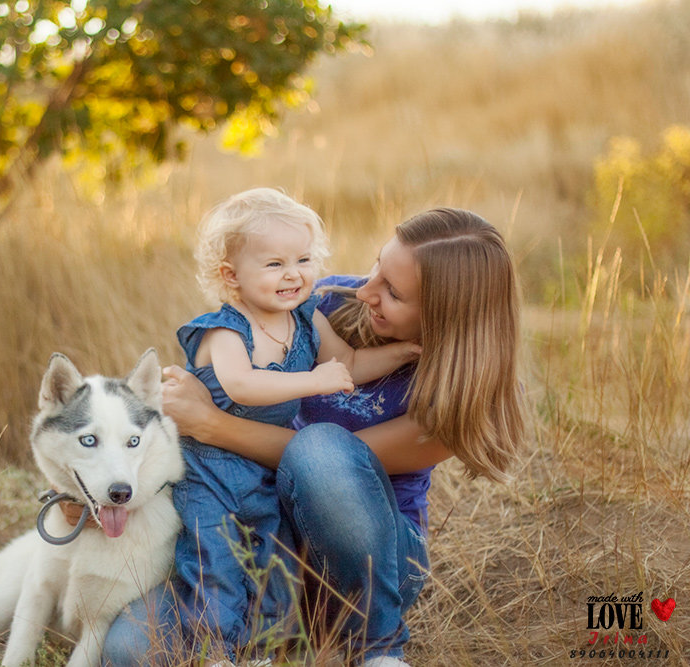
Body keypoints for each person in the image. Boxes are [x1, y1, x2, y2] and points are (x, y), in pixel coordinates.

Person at [101, 207, 525, 667]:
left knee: (320, 448)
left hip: (365, 570)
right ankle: (269, 636)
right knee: (130, 650)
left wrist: (211, 425)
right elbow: (226, 388)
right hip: (262, 538)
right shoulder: (318, 302)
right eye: (376, 267)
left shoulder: (460, 397)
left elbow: (311, 463)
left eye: (393, 292)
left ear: (445, 317)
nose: (365, 291)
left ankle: (376, 649)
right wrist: (106, 488)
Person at [171, 188, 421, 663]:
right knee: (216, 559)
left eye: (304, 259)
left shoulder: (304, 317)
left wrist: (407, 352)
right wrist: (314, 380)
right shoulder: (225, 330)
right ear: (232, 276)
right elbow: (242, 386)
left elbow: (348, 363)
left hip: (263, 475)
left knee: (272, 558)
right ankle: (217, 654)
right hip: (212, 472)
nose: (293, 274)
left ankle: (262, 650)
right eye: (273, 264)